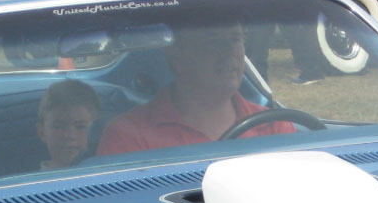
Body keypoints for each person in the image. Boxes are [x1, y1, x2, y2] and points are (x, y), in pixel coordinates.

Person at [97, 18, 297, 156]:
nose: (229, 52)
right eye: (213, 43)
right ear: (177, 58)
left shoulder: (274, 126)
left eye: (235, 40)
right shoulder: (128, 135)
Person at [37, 80, 101, 170]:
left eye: (80, 127)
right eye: (58, 127)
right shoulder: (35, 182)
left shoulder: (111, 173)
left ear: (97, 131)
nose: (70, 135)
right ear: (42, 133)